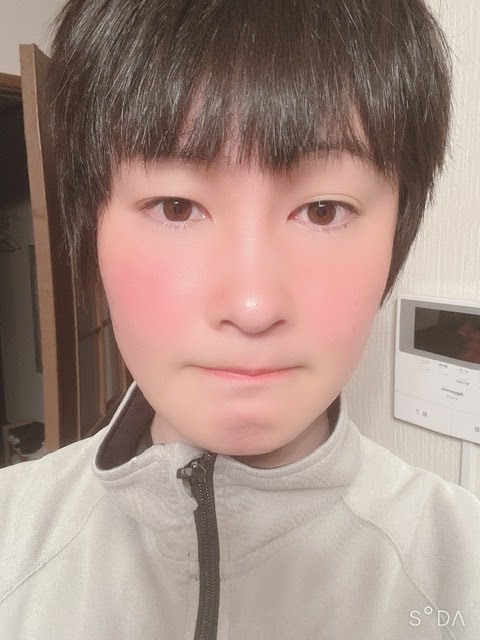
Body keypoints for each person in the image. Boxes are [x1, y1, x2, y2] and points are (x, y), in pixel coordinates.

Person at [1, 0, 479, 638]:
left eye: (322, 210)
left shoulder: (460, 572)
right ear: (91, 235)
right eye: (176, 207)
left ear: (397, 234)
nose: (252, 307)